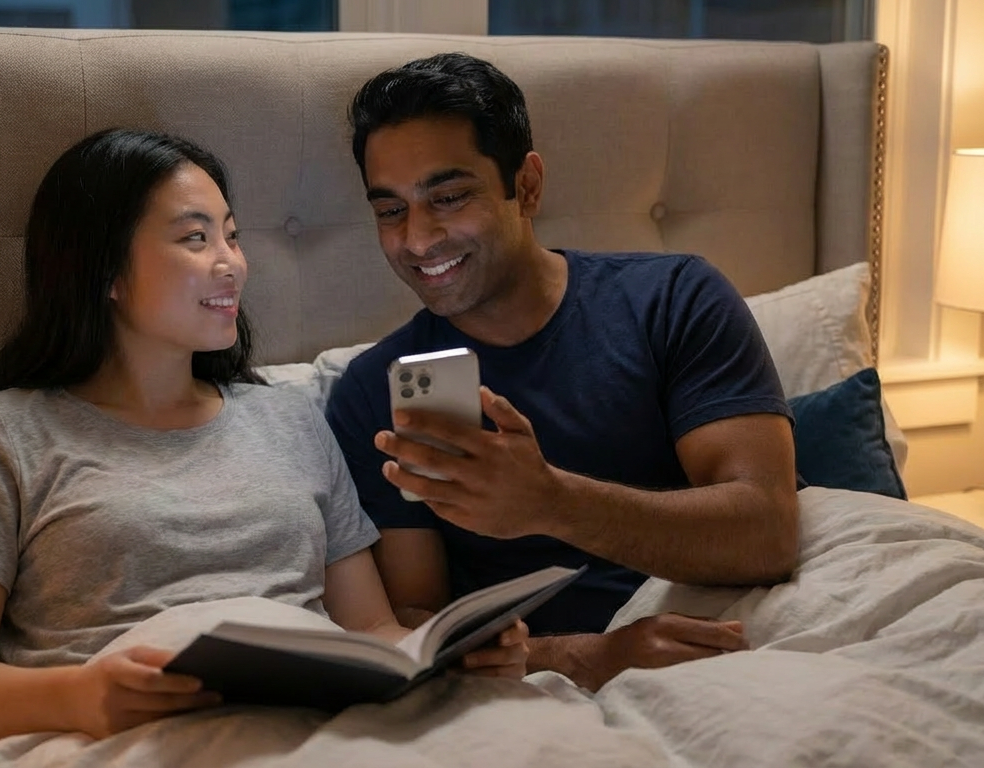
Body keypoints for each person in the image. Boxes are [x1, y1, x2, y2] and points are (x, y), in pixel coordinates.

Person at [0, 128, 528, 747]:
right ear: (104, 269)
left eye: (232, 236)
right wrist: (78, 697)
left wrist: (451, 659)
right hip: (133, 738)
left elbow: (372, 632)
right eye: (196, 238)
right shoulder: (3, 435)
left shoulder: (290, 419)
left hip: (319, 724)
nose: (233, 265)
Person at [325, 53, 799, 693]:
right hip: (545, 680)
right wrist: (585, 656)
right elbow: (414, 620)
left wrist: (552, 502)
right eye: (390, 211)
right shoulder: (374, 392)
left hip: (736, 632)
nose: (417, 240)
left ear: (526, 186)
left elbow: (767, 532)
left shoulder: (672, 300)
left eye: (449, 197)